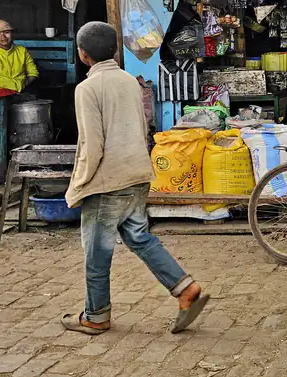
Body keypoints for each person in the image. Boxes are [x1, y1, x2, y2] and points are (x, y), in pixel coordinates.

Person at [61, 21, 209, 335]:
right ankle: (185, 289)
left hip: (108, 181)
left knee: (96, 254)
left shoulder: (87, 88)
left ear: (83, 54)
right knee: (139, 238)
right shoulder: (130, 81)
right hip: (137, 173)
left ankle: (96, 316)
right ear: (115, 50)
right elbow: (143, 128)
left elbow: (91, 145)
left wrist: (77, 186)